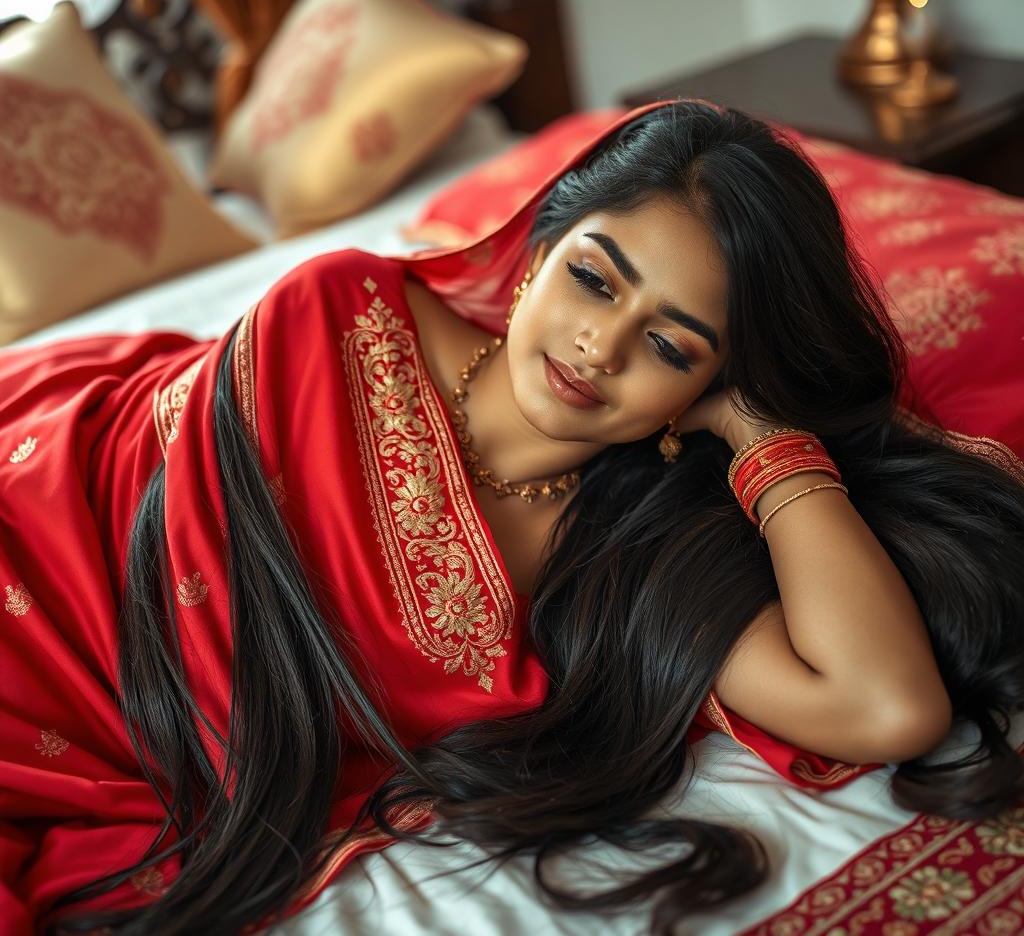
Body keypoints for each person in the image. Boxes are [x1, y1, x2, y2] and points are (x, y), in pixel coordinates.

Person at [2, 101, 1023, 936]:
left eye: (671, 346)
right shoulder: (336, 307)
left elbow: (886, 709)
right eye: (592, 277)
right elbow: (166, 486)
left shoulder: (631, 556)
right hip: (49, 517)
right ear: (538, 248)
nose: (598, 348)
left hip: (88, 711)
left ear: (708, 388)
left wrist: (765, 436)